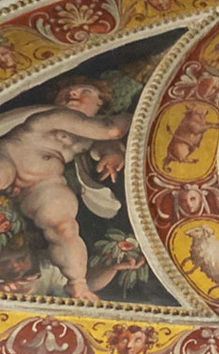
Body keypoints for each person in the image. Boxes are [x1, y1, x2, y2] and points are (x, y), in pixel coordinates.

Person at [0, 78, 133, 300]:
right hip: (9, 159)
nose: (72, 94)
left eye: (85, 90)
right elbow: (111, 131)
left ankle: (77, 285)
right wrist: (131, 116)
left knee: (64, 228)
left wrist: (113, 153)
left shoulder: (86, 134)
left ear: (101, 103)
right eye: (67, 90)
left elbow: (103, 141)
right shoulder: (55, 115)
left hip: (42, 183)